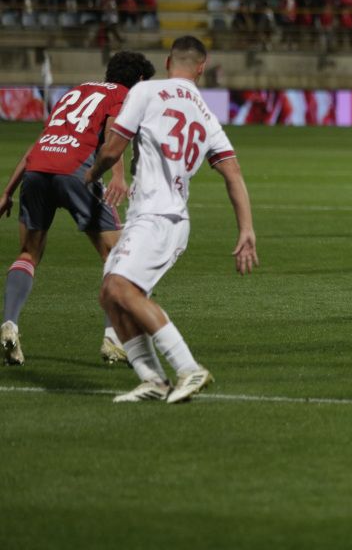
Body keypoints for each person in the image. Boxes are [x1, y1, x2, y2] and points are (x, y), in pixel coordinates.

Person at [85, 36, 258, 403]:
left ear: (167, 62)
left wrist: (91, 174)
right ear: (202, 67)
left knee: (119, 289)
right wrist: (246, 228)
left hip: (158, 216)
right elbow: (233, 173)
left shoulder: (146, 91)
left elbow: (112, 149)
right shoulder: (206, 113)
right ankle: (153, 380)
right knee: (110, 294)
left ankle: (188, 368)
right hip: (165, 218)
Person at [0, 50, 156, 366]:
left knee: (28, 254)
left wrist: (7, 191)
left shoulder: (76, 91)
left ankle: (9, 323)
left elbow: (40, 142)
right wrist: (117, 176)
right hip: (76, 172)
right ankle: (113, 340)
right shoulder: (122, 95)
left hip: (37, 169)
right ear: (139, 80)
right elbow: (114, 134)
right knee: (118, 256)